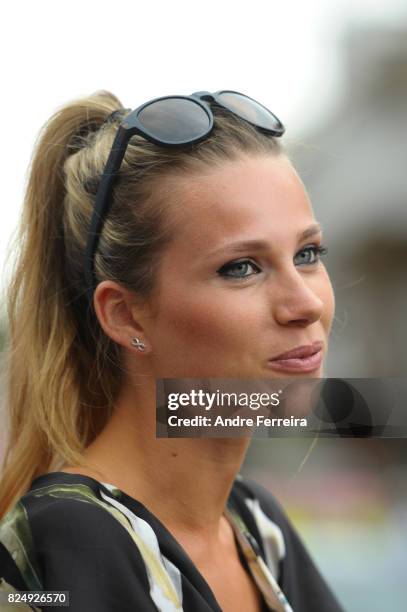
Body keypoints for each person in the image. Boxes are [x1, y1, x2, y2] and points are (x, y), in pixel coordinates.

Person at [0, 89, 344, 611]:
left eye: (307, 254)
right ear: (126, 314)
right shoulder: (69, 541)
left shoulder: (256, 525)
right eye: (241, 268)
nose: (304, 304)